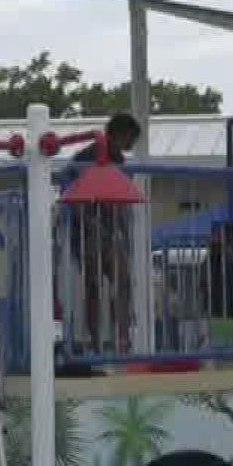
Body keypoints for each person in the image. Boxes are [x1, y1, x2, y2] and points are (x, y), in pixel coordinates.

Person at [67, 112, 142, 355]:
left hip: (110, 229)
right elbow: (74, 196)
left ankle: (121, 338)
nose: (132, 145)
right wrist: (93, 226)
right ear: (121, 134)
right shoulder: (85, 158)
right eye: (131, 139)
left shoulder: (118, 159)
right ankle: (98, 339)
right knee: (94, 284)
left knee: (122, 282)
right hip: (89, 230)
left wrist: (121, 231)